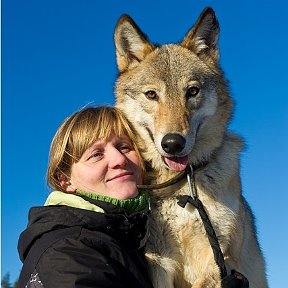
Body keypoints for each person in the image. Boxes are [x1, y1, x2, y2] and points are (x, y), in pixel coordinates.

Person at [17, 106, 153, 288]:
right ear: (65, 180)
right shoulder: (66, 251)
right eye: (96, 154)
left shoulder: (130, 239)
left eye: (124, 146)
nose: (119, 159)